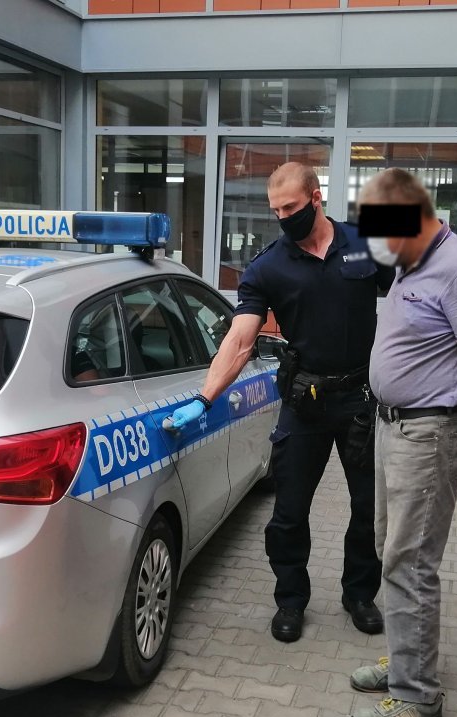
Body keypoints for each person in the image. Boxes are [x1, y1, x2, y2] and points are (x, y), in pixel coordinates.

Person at [165, 162, 394, 643]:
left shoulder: (364, 244)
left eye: (291, 208)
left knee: (368, 508)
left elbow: (413, 292)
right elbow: (239, 340)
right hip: (304, 400)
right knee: (288, 512)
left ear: (316, 197)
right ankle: (291, 599)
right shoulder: (268, 267)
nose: (283, 218)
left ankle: (359, 594)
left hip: (360, 398)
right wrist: (206, 397)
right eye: (276, 211)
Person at [346, 169, 457, 717]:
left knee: (411, 559)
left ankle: (417, 694)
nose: (377, 247)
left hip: (430, 432)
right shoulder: (409, 262)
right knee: (388, 546)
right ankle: (406, 656)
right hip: (392, 425)